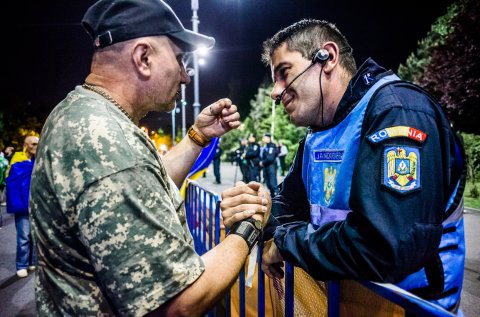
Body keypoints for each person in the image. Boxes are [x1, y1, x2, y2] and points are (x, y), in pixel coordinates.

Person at [29, 1, 270, 315]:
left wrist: (197, 137)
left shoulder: (81, 113)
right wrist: (248, 228)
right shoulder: (106, 139)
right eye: (180, 59)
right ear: (143, 57)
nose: (185, 76)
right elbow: (179, 304)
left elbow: (143, 187)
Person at [225, 19, 466, 315]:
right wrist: (257, 209)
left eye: (284, 73)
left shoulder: (397, 112)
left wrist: (286, 243)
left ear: (327, 58)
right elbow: (287, 205)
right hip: (344, 304)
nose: (275, 92)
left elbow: (383, 248)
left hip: (410, 308)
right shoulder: (317, 135)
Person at [6, 135, 39, 278]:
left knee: (34, 235)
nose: (37, 146)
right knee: (24, 236)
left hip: (36, 204)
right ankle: (21, 264)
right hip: (23, 204)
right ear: (26, 145)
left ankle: (32, 261)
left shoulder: (38, 161)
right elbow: (12, 182)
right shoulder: (18, 161)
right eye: (34, 144)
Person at [259, 133, 278, 197]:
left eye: (264, 138)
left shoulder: (272, 146)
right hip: (266, 167)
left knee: (273, 184)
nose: (263, 139)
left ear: (268, 138)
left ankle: (277, 197)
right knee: (268, 183)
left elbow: (270, 158)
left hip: (271, 166)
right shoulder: (266, 146)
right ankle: (273, 197)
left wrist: (262, 162)